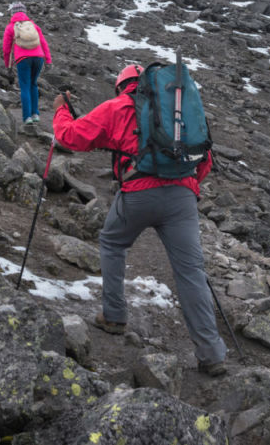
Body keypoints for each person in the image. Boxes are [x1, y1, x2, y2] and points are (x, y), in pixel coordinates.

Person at [50, 65, 228, 376]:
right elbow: (204, 158)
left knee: (112, 241)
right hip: (183, 196)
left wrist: (62, 111)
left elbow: (70, 137)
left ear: (122, 86)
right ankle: (212, 354)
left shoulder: (118, 106)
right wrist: (188, 188)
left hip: (138, 192)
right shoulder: (180, 109)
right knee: (190, 272)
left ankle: (115, 316)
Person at [2, 2, 51, 125]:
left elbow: (6, 49)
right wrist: (48, 61)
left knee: (24, 86)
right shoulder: (33, 25)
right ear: (24, 12)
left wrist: (8, 65)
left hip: (22, 59)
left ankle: (27, 117)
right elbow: (43, 42)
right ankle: (35, 114)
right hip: (38, 57)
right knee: (33, 85)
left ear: (12, 13)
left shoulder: (10, 27)